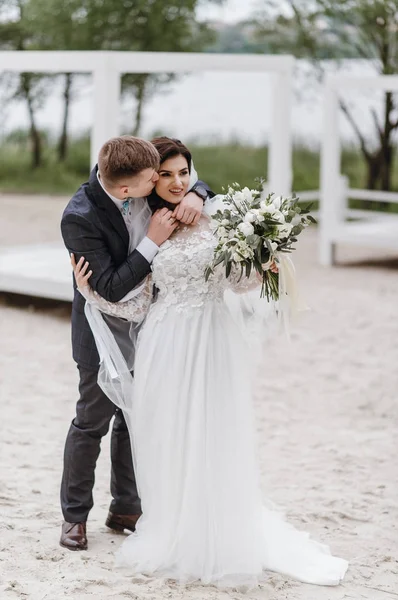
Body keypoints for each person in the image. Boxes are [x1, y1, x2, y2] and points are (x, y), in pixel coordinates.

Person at [73, 137, 348, 588]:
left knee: (214, 429)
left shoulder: (215, 213)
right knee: (170, 432)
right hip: (164, 339)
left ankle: (216, 531)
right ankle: (174, 528)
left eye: (185, 172)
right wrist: (91, 292)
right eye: (166, 175)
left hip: (212, 337)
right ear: (147, 183)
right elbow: (139, 302)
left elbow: (237, 282)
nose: (179, 182)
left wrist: (262, 266)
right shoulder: (145, 224)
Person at [60, 135, 212, 551]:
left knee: (133, 420)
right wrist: (152, 241)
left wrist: (198, 192)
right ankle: (74, 518)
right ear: (127, 188)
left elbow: (188, 179)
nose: (162, 184)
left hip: (149, 328)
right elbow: (108, 288)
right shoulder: (80, 217)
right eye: (154, 179)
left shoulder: (135, 171)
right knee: (92, 422)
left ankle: (126, 507)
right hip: (101, 330)